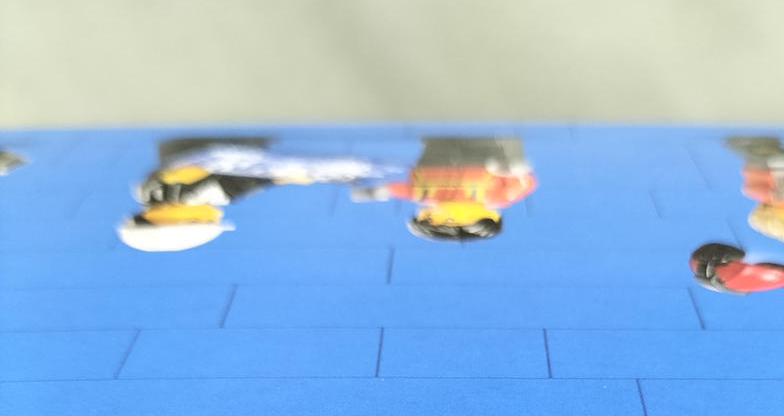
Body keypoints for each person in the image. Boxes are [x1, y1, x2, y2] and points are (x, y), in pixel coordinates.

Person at [118, 136, 405, 251]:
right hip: (216, 153)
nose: (213, 216)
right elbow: (253, 182)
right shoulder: (152, 191)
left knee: (333, 166)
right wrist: (291, 177)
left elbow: (246, 178)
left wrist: (293, 174)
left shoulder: (187, 191)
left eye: (205, 221)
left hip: (220, 148)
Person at [351, 135, 536, 240]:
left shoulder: (425, 195)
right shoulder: (496, 197)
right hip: (481, 150)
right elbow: (525, 181)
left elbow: (397, 189)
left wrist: (373, 192)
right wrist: (512, 168)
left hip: (437, 150)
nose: (450, 217)